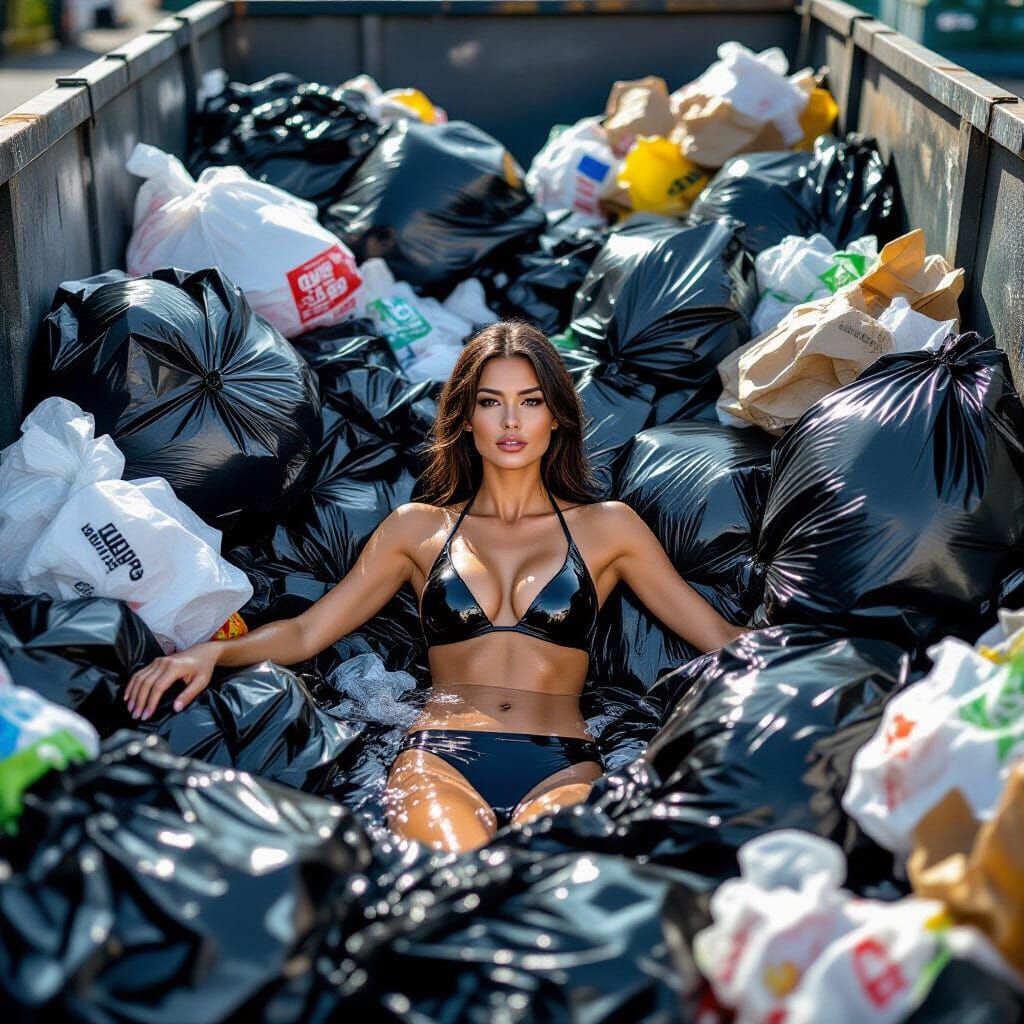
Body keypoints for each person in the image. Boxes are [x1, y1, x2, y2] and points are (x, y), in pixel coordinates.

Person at [123, 321, 748, 853]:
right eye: (490, 401)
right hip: (441, 755)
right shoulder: (416, 530)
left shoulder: (609, 528)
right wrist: (210, 652)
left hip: (561, 760)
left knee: (541, 881)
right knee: (450, 878)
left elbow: (720, 640)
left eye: (529, 401)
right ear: (465, 416)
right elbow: (310, 630)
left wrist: (830, 656)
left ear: (555, 417)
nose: (510, 421)